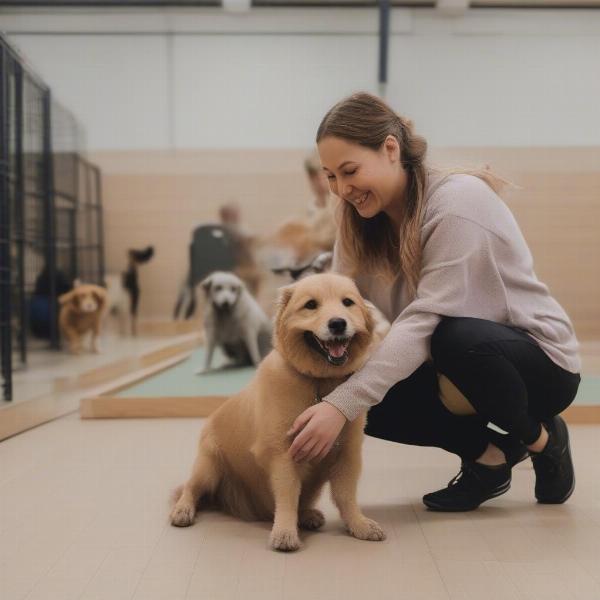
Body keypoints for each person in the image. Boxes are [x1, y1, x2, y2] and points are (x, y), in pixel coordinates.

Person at [287, 92, 581, 512]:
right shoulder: (352, 217)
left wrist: (343, 404)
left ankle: (543, 440)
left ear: (391, 149)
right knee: (346, 381)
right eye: (331, 176)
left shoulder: (458, 202)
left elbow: (427, 319)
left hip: (537, 364)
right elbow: (341, 302)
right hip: (450, 361)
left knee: (452, 336)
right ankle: (489, 459)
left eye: (349, 171)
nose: (341, 189)